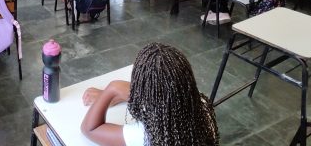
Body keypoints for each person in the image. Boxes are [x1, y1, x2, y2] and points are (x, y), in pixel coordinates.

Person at [80, 42, 219, 146]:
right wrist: (131, 96)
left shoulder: (146, 135)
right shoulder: (201, 103)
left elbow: (89, 129)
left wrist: (112, 88)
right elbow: (167, 94)